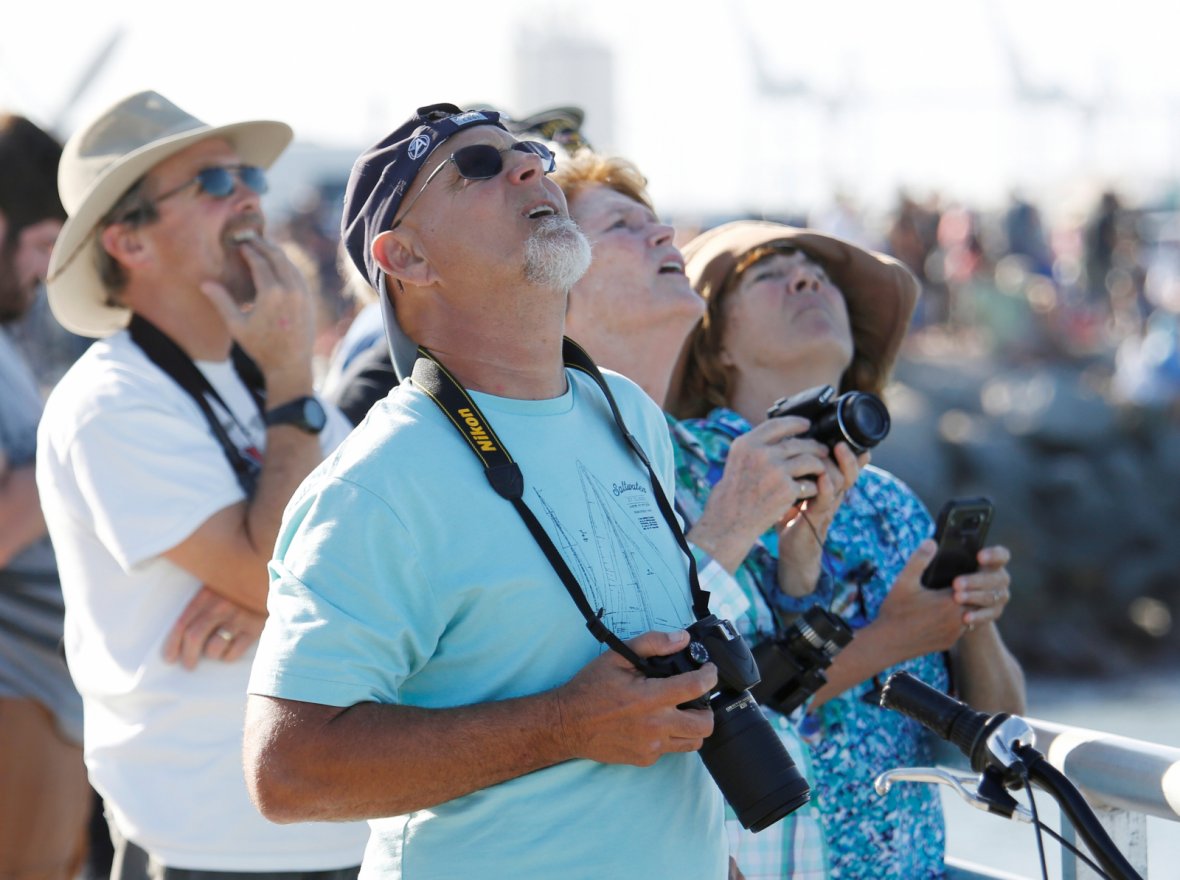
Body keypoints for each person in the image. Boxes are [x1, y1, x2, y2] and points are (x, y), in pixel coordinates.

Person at [243, 103, 727, 879]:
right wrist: (564, 725)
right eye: (476, 167)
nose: (532, 168)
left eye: (526, 152)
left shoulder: (626, 412)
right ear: (406, 258)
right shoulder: (382, 479)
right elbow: (288, 771)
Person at [34, 91, 367, 878]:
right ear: (127, 241)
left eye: (248, 175)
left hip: (348, 823)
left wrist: (289, 589)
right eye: (215, 184)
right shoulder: (111, 402)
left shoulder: (267, 380)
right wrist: (282, 584)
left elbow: (394, 553)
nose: (250, 196)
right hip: (210, 843)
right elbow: (277, 574)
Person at [671, 220, 1026, 878]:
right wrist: (895, 636)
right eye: (768, 274)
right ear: (715, 342)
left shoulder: (890, 500)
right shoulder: (680, 469)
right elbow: (702, 696)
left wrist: (971, 620)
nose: (807, 279)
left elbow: (1002, 731)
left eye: (821, 275)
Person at [554, 153, 835, 876]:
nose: (666, 234)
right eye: (623, 224)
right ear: (552, 285)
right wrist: (731, 527)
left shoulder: (685, 454)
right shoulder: (542, 467)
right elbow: (601, 687)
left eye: (658, 221)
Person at [0, 112, 92, 880]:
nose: (41, 273)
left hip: (43, 691)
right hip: (15, 690)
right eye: (35, 243)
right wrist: (77, 451)